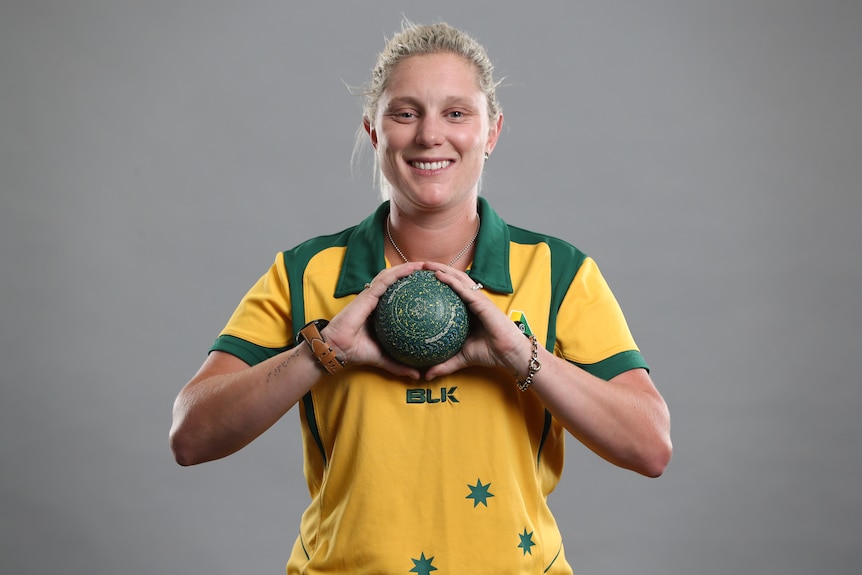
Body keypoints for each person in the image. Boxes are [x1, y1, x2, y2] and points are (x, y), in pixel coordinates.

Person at [170, 21, 671, 574]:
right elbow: (191, 435)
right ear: (373, 132)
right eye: (405, 113)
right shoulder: (305, 272)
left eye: (457, 113)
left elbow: (649, 446)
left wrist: (521, 357)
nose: (430, 135)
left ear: (493, 131)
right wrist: (320, 353)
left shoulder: (559, 272)